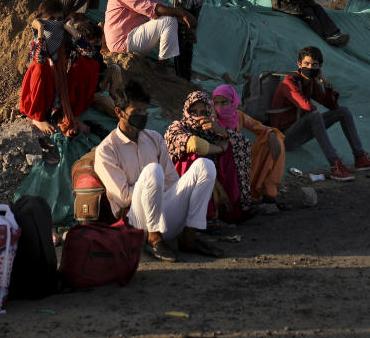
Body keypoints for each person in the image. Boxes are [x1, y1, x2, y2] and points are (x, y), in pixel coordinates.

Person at [94, 81, 221, 263]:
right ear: (119, 113)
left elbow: (171, 180)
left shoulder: (154, 138)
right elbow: (122, 197)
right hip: (135, 220)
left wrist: (158, 193)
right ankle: (154, 239)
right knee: (153, 170)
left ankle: (189, 236)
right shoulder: (107, 150)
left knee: (205, 166)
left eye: (144, 111)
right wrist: (150, 188)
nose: (142, 116)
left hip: (165, 215)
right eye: (136, 112)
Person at [269, 46, 370, 181]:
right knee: (314, 115)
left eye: (314, 65)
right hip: (284, 138)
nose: (310, 68)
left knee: (343, 111)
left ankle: (360, 157)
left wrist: (326, 84)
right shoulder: (289, 83)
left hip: (300, 133)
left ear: (320, 66)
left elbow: (332, 106)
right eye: (306, 64)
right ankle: (335, 165)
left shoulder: (311, 83)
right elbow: (306, 107)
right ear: (299, 64)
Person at [164, 91, 252, 223]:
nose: (198, 116)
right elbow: (194, 144)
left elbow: (243, 143)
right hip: (181, 185)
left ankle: (232, 211)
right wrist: (220, 148)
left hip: (214, 178)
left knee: (231, 150)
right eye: (193, 111)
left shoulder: (211, 129)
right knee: (195, 157)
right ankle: (205, 216)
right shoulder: (177, 127)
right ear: (186, 111)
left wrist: (221, 131)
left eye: (203, 112)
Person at [18, 0, 93, 137]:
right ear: (41, 19)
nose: (56, 23)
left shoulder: (64, 38)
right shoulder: (36, 39)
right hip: (42, 93)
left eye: (59, 19)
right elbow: (39, 59)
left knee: (88, 64)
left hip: (60, 89)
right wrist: (40, 30)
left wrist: (71, 30)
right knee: (40, 67)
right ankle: (38, 118)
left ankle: (70, 114)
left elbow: (90, 53)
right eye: (51, 19)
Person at [212, 84, 285, 214]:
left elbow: (260, 128)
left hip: (239, 163)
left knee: (274, 140)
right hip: (218, 167)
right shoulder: (211, 118)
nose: (220, 107)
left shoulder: (238, 116)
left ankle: (270, 193)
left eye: (224, 102)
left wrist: (272, 133)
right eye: (216, 103)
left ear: (233, 102)